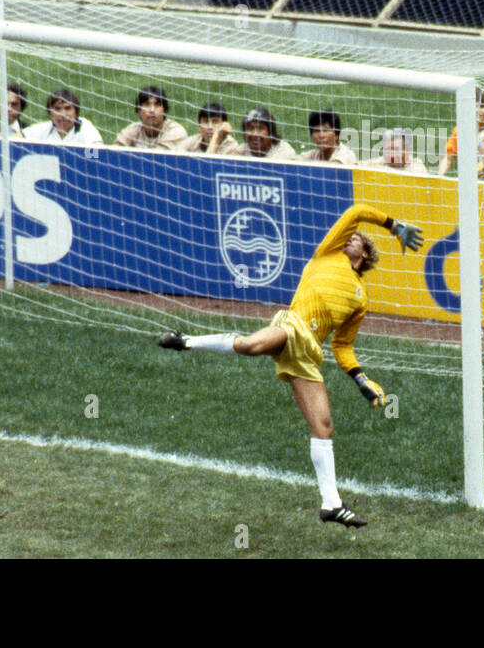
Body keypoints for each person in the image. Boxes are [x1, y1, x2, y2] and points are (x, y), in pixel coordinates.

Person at [157, 204, 425, 528]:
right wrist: (394, 226)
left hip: (309, 355)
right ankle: (185, 341)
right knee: (251, 345)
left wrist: (361, 379)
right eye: (349, 236)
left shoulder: (361, 299)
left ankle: (332, 505)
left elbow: (342, 346)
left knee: (324, 427)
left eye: (356, 240)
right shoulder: (328, 252)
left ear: (365, 255)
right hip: (292, 325)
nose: (349, 238)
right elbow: (356, 212)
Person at [438, 88, 484, 176]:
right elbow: (448, 158)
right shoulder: (460, 130)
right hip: (467, 177)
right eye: (474, 106)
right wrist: (439, 177)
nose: (477, 110)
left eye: (482, 106)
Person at [114, 86, 189, 152]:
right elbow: (114, 152)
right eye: (147, 104)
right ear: (138, 110)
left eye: (157, 105)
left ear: (165, 111)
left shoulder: (175, 132)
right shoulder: (133, 130)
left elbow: (157, 159)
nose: (152, 110)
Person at [24, 88, 104, 145]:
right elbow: (18, 138)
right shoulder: (45, 128)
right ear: (50, 113)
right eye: (57, 109)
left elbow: (97, 154)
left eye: (68, 108)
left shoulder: (84, 127)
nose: (63, 114)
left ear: (76, 112)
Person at [174, 101, 240, 154]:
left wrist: (217, 136)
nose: (210, 127)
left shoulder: (231, 146)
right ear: (198, 125)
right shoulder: (191, 142)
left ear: (224, 124)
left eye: (215, 122)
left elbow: (208, 166)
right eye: (205, 121)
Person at [232, 107, 296, 159]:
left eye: (260, 128)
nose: (255, 134)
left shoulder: (284, 152)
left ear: (271, 132)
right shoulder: (242, 150)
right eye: (250, 128)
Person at [359, 128, 430, 174]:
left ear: (408, 150)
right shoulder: (379, 162)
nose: (391, 155)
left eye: (397, 150)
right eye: (388, 149)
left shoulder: (418, 169)